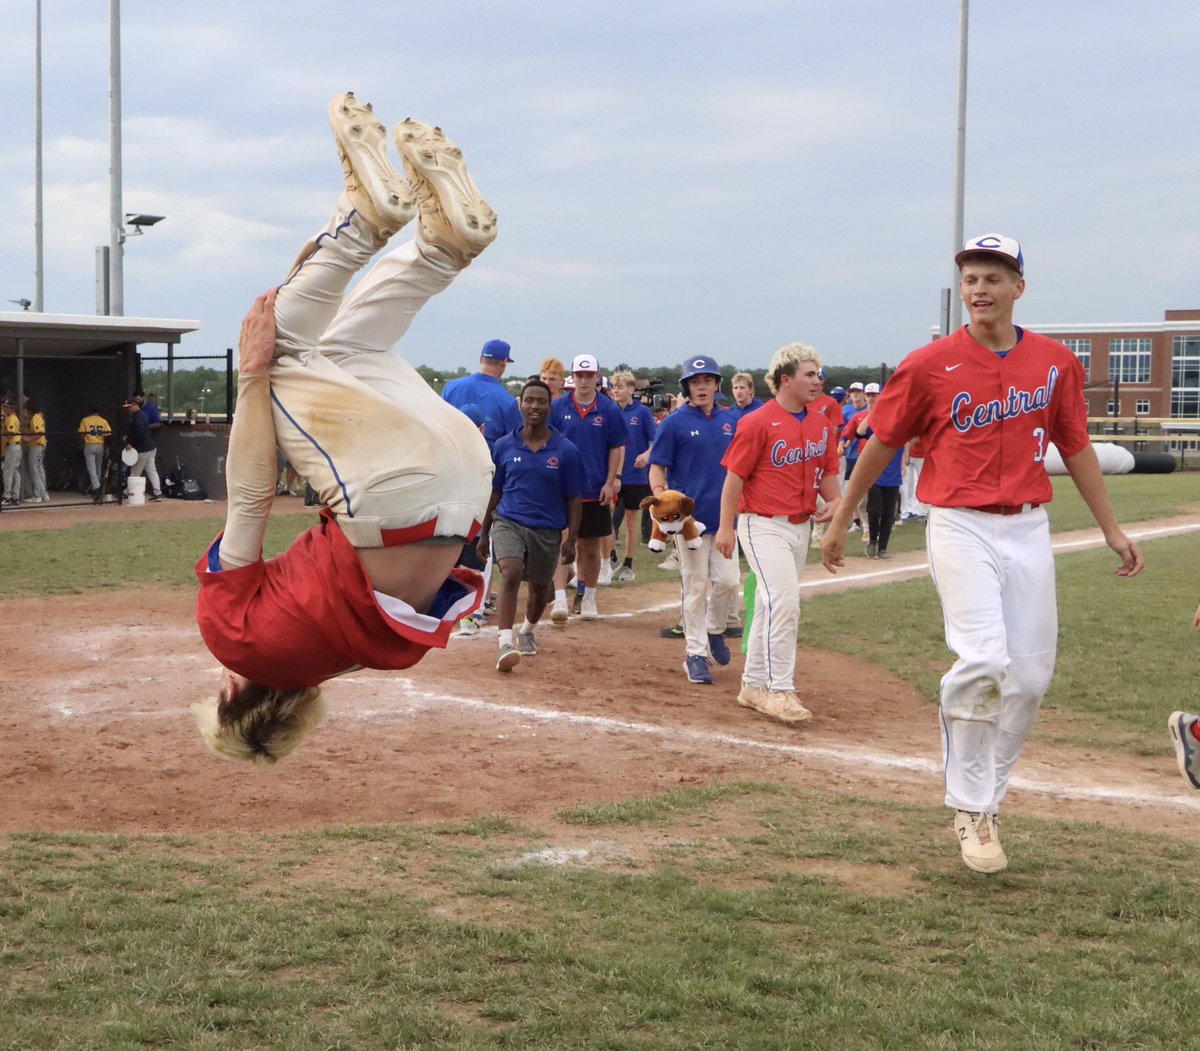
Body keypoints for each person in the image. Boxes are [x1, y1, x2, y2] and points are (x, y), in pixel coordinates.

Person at [821, 232, 1144, 874]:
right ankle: (969, 806)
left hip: (1027, 527)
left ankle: (989, 801)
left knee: (1030, 678)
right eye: (970, 277)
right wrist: (843, 515)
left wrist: (1110, 527)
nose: (979, 289)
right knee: (984, 660)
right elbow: (883, 442)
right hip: (960, 521)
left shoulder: (1054, 362)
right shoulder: (929, 363)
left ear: (1018, 288)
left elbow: (1075, 445)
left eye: (993, 277)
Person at [191, 91, 498, 765]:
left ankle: (440, 250)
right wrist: (249, 378)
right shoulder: (232, 640)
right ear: (228, 692)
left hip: (467, 484)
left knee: (344, 351)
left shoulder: (352, 658)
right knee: (286, 356)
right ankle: (364, 221)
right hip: (388, 496)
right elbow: (250, 498)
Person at [715, 342, 840, 719]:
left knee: (772, 605)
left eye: (818, 374)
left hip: (800, 527)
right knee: (785, 603)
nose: (817, 381)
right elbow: (734, 478)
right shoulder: (756, 422)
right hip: (762, 524)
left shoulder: (820, 422)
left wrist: (835, 504)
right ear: (786, 380)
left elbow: (828, 474)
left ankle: (752, 686)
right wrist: (725, 526)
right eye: (809, 374)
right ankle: (780, 690)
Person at [478, 379, 582, 671]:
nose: (535, 406)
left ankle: (527, 632)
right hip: (509, 521)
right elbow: (495, 492)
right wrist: (484, 532)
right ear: (520, 404)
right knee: (510, 573)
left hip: (547, 530)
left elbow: (574, 499)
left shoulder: (566, 450)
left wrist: (571, 540)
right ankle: (504, 644)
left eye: (541, 401)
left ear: (550, 406)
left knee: (539, 594)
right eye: (529, 400)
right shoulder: (503, 446)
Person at [649, 355, 739, 684]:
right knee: (696, 585)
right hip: (690, 523)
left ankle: (715, 630)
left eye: (707, 381)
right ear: (686, 387)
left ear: (717, 385)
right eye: (695, 382)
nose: (701, 387)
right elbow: (657, 464)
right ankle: (696, 653)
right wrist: (660, 495)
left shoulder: (731, 421)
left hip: (726, 517)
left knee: (729, 582)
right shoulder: (674, 423)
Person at [547, 354, 627, 621]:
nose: (583, 380)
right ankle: (559, 598)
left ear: (596, 377)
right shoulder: (558, 408)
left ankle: (589, 596)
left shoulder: (609, 409)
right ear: (573, 377)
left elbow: (616, 446)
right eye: (579, 375)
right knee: (563, 542)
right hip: (563, 488)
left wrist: (611, 480)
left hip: (595, 489)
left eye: (588, 375)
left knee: (590, 546)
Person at [608, 370, 655, 582]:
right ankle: (610, 557)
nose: (616, 390)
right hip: (612, 474)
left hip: (636, 476)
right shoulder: (610, 411)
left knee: (631, 519)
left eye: (620, 387)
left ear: (631, 389)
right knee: (609, 519)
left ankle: (628, 563)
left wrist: (647, 455)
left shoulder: (642, 412)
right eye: (614, 387)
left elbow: (655, 441)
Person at [441, 339, 521, 448]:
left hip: (451, 456)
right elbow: (515, 442)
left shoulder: (451, 387)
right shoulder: (507, 400)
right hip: (488, 460)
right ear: (504, 363)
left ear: (481, 359)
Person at [122, 396, 163, 501]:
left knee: (135, 472)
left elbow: (139, 431)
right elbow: (139, 430)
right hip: (150, 447)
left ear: (135, 405)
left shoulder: (137, 416)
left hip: (142, 448)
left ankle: (127, 492)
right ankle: (157, 492)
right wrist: (129, 436)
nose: (128, 409)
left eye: (129, 407)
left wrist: (130, 442)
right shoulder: (141, 414)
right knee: (151, 470)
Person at [78, 406, 112, 495]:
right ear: (98, 412)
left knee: (91, 468)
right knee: (98, 467)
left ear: (89, 412)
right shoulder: (103, 421)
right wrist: (107, 448)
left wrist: (80, 445)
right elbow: (108, 435)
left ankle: (97, 487)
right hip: (100, 445)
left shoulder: (85, 420)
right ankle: (97, 486)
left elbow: (81, 434)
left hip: (89, 445)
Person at [22, 399, 49, 502]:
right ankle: (42, 494)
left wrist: (28, 439)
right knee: (36, 470)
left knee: (34, 471)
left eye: (26, 409)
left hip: (36, 446)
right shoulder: (37, 416)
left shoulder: (36, 417)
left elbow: (40, 432)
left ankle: (39, 495)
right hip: (38, 445)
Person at [1, 396, 21, 505]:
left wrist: (2, 427)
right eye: (3, 406)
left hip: (12, 447)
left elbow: (10, 434)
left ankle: (7, 496)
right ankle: (15, 497)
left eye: (6, 407)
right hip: (14, 447)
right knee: (15, 472)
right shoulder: (10, 417)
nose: (4, 408)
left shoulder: (12, 418)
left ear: (11, 408)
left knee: (8, 472)